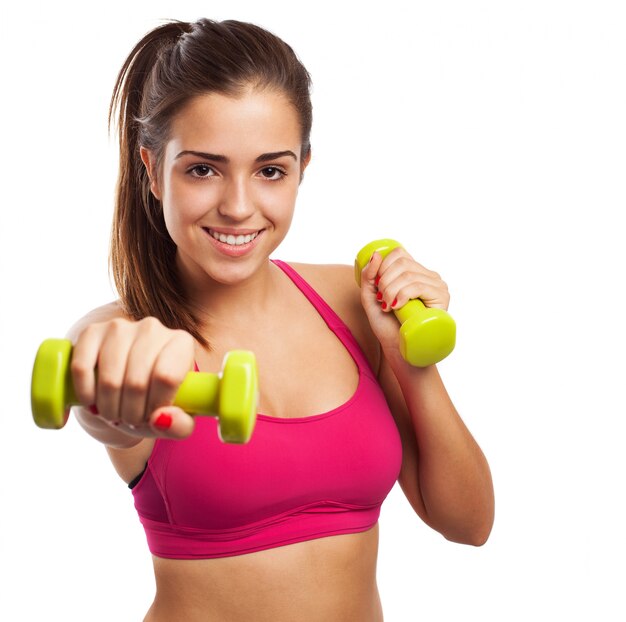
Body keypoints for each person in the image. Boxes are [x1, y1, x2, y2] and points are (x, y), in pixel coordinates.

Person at [66, 18, 494, 622]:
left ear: (302, 167)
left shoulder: (352, 301)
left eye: (270, 170)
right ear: (151, 169)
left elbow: (469, 524)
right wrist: (103, 387)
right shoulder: (133, 335)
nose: (239, 207)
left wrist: (407, 361)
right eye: (203, 169)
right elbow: (98, 384)